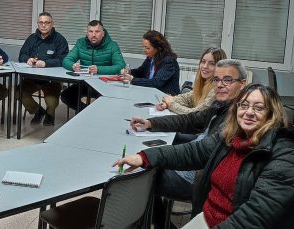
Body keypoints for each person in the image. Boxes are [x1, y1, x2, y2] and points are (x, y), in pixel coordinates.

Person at [117, 84, 294, 229]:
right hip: (208, 218)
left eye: (259, 108)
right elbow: (193, 152)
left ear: (272, 115)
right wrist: (145, 157)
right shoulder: (231, 136)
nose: (249, 112)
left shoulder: (284, 155)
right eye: (244, 105)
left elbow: (255, 217)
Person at [129, 59, 247, 228]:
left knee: (141, 177)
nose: (220, 85)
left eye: (227, 80)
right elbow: (190, 119)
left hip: (198, 177)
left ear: (242, 84)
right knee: (149, 165)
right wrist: (151, 123)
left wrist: (147, 157)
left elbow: (200, 151)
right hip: (194, 163)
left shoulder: (237, 116)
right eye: (217, 80)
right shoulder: (221, 105)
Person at [60, 20, 125, 112]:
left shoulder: (112, 45)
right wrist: (73, 66)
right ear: (87, 33)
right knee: (66, 96)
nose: (93, 35)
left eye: (97, 31)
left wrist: (99, 69)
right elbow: (66, 60)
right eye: (90, 31)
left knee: (105, 102)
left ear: (103, 33)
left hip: (104, 83)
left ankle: (96, 115)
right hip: (84, 82)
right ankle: (87, 111)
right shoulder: (80, 43)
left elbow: (121, 66)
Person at [17, 12, 69, 126]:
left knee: (52, 102)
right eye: (41, 22)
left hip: (51, 80)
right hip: (32, 78)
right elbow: (22, 55)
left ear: (52, 24)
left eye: (47, 22)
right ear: (38, 24)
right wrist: (28, 59)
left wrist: (46, 63)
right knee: (18, 92)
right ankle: (38, 111)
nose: (43, 25)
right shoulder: (31, 38)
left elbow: (64, 59)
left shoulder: (60, 39)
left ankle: (50, 114)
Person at [157, 47, 227, 114]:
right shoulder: (204, 83)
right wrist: (167, 102)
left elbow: (196, 114)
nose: (205, 66)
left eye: (212, 63)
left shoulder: (217, 89)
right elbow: (187, 99)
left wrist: (171, 104)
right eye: (203, 62)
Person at [121, 30, 180, 95]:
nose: (144, 50)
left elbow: (156, 82)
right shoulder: (151, 57)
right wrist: (128, 72)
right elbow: (140, 72)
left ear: (158, 48)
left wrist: (132, 79)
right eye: (143, 47)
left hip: (167, 98)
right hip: (151, 93)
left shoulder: (168, 61)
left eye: (147, 48)